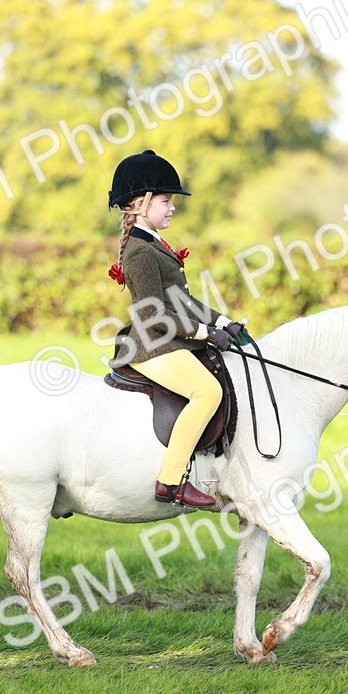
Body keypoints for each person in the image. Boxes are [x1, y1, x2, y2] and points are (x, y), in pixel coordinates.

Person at [107, 150, 247, 510]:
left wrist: (221, 322)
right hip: (152, 345)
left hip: (167, 339)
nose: (172, 208)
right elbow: (153, 314)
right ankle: (170, 481)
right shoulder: (140, 252)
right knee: (206, 391)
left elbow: (182, 302)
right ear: (140, 204)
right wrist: (202, 334)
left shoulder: (155, 245)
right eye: (166, 201)